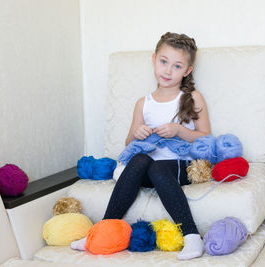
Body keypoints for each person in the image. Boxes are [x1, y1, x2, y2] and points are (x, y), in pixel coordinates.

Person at [71, 32, 211, 260]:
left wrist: (179, 131)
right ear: (154, 59)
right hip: (149, 169)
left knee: (157, 167)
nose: (167, 70)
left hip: (181, 166)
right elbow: (129, 145)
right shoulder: (143, 103)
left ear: (187, 71)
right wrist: (138, 134)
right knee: (140, 160)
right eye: (164, 62)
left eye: (176, 66)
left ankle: (192, 237)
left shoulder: (192, 97)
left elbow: (206, 138)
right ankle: (100, 233)